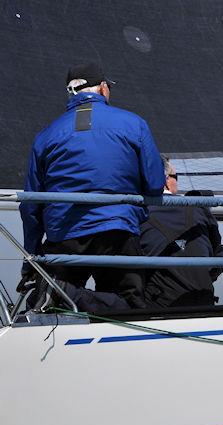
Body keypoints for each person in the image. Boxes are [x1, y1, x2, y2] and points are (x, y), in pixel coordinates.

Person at [19, 61, 165, 309]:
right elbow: (154, 184)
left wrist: (30, 257)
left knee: (55, 309)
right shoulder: (133, 123)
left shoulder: (46, 135)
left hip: (63, 234)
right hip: (117, 229)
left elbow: (31, 205)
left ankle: (66, 295)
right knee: (131, 307)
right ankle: (73, 298)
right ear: (104, 88)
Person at [140, 157, 223, 308]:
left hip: (158, 305)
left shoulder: (139, 213)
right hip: (204, 298)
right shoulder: (200, 209)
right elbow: (219, 255)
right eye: (176, 177)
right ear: (166, 180)